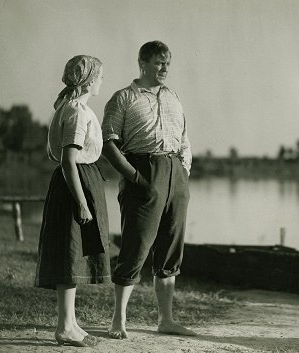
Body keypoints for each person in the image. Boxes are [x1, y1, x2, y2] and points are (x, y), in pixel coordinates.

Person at [101, 40, 195, 338]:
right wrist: (134, 176)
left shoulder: (173, 96)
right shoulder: (123, 98)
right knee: (135, 247)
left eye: (167, 62)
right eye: (158, 62)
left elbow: (183, 138)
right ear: (142, 63)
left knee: (170, 250)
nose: (164, 68)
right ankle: (119, 321)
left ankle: (165, 320)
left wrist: (182, 172)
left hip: (175, 177)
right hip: (143, 173)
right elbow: (108, 143)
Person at [35, 55, 110, 347]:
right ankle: (64, 326)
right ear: (90, 80)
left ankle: (70, 322)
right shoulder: (77, 111)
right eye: (101, 77)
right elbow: (68, 160)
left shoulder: (67, 107)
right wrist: (81, 202)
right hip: (75, 183)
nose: (102, 82)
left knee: (73, 253)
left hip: (77, 180)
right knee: (69, 252)